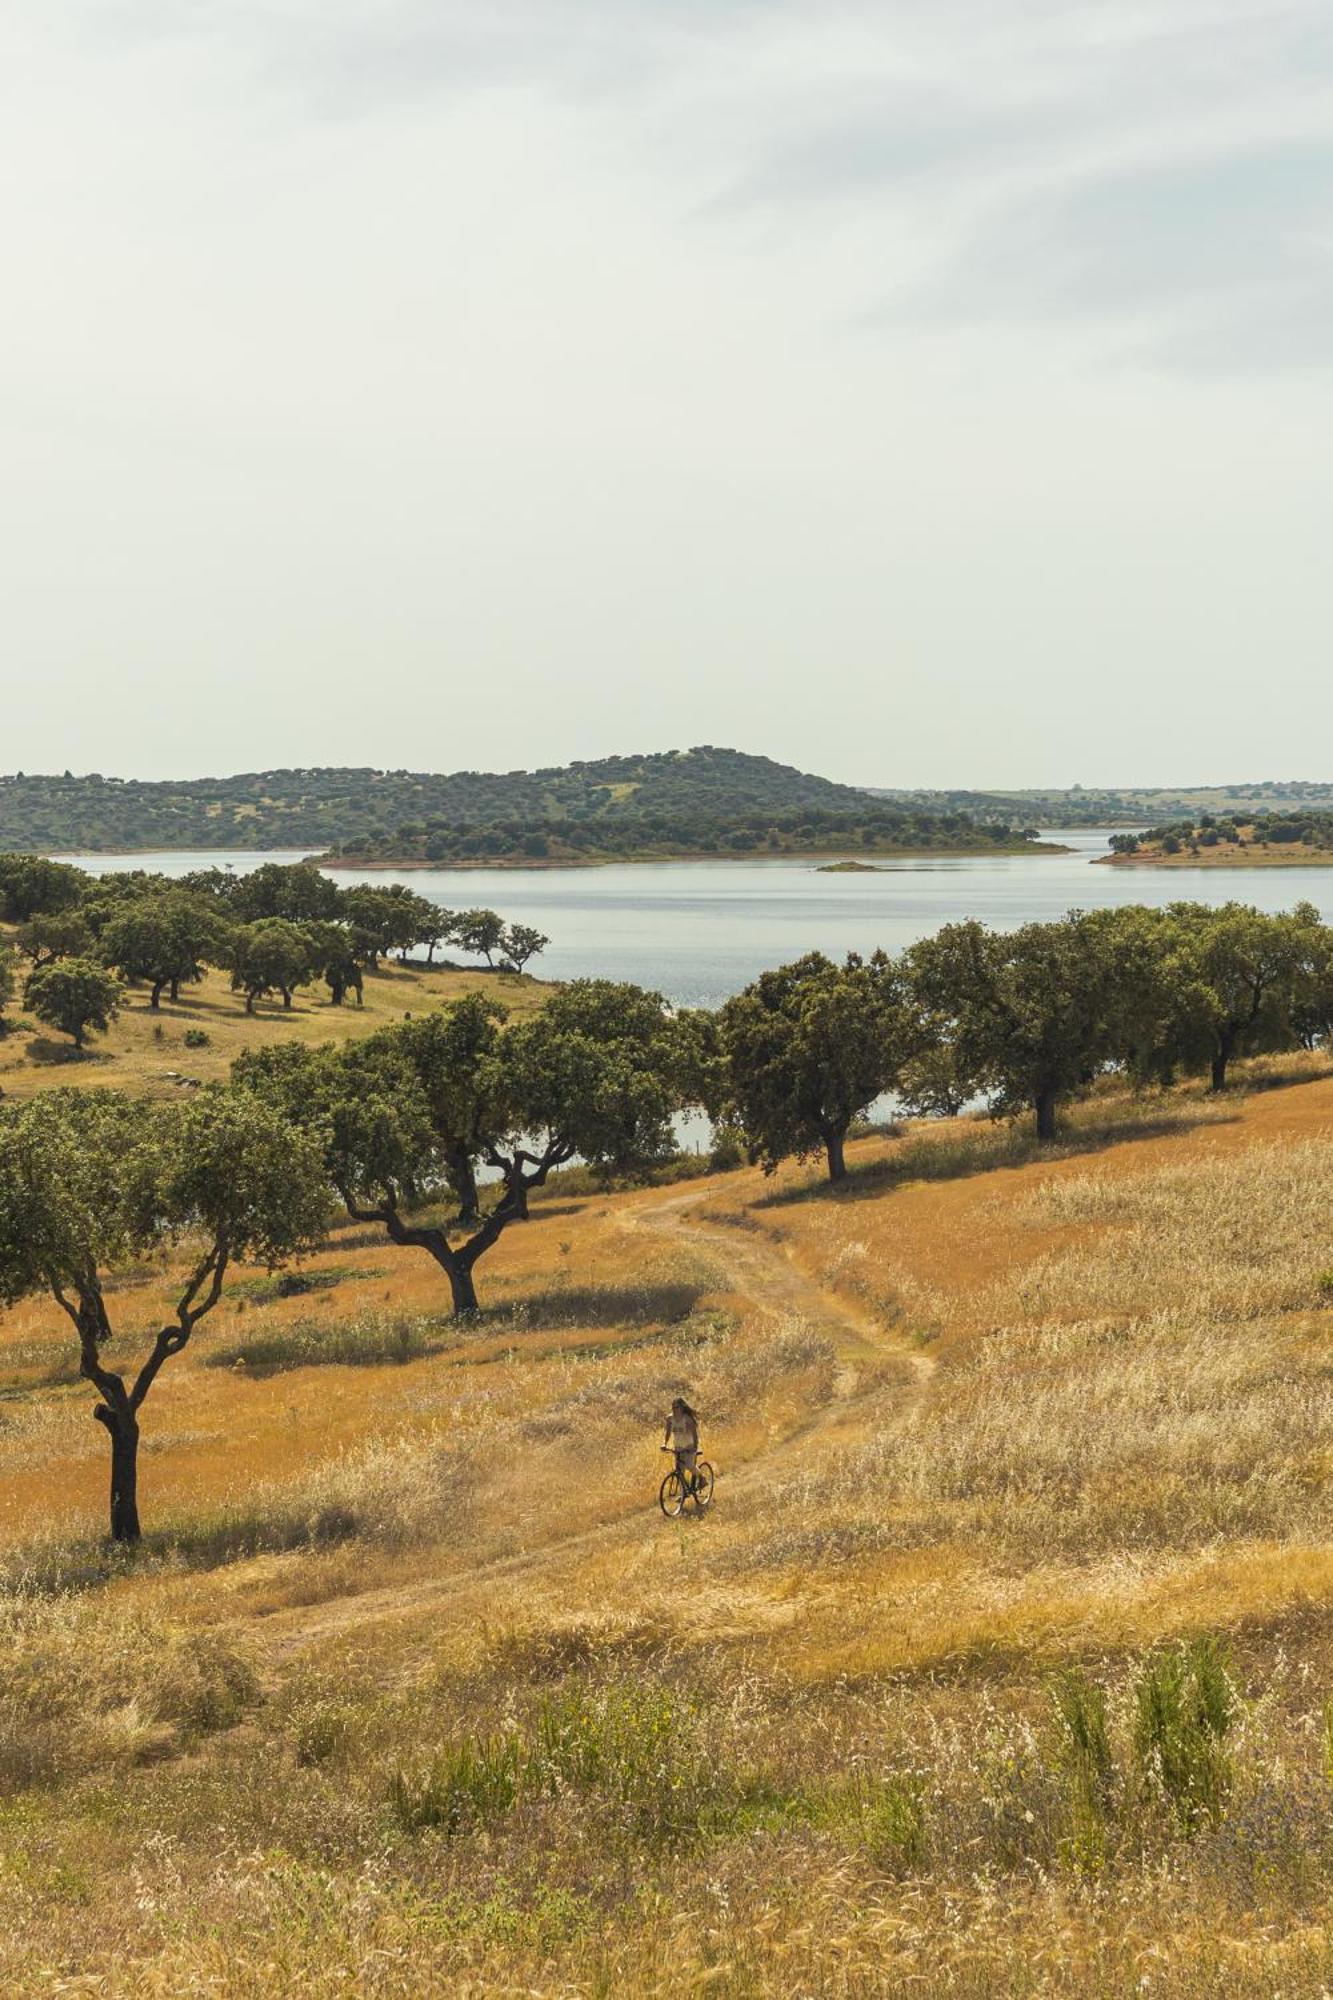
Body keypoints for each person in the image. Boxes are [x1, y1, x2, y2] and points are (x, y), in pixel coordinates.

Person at [663, 1397, 700, 1493]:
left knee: (689, 1465)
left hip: (689, 1446)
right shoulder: (670, 1418)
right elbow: (668, 1433)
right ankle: (683, 1494)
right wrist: (664, 1444)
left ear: (682, 1407)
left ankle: (701, 1478)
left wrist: (695, 1447)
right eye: (673, 1407)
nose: (674, 1409)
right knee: (680, 1471)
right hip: (678, 1447)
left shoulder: (687, 1419)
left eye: (676, 1407)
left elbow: (694, 1434)